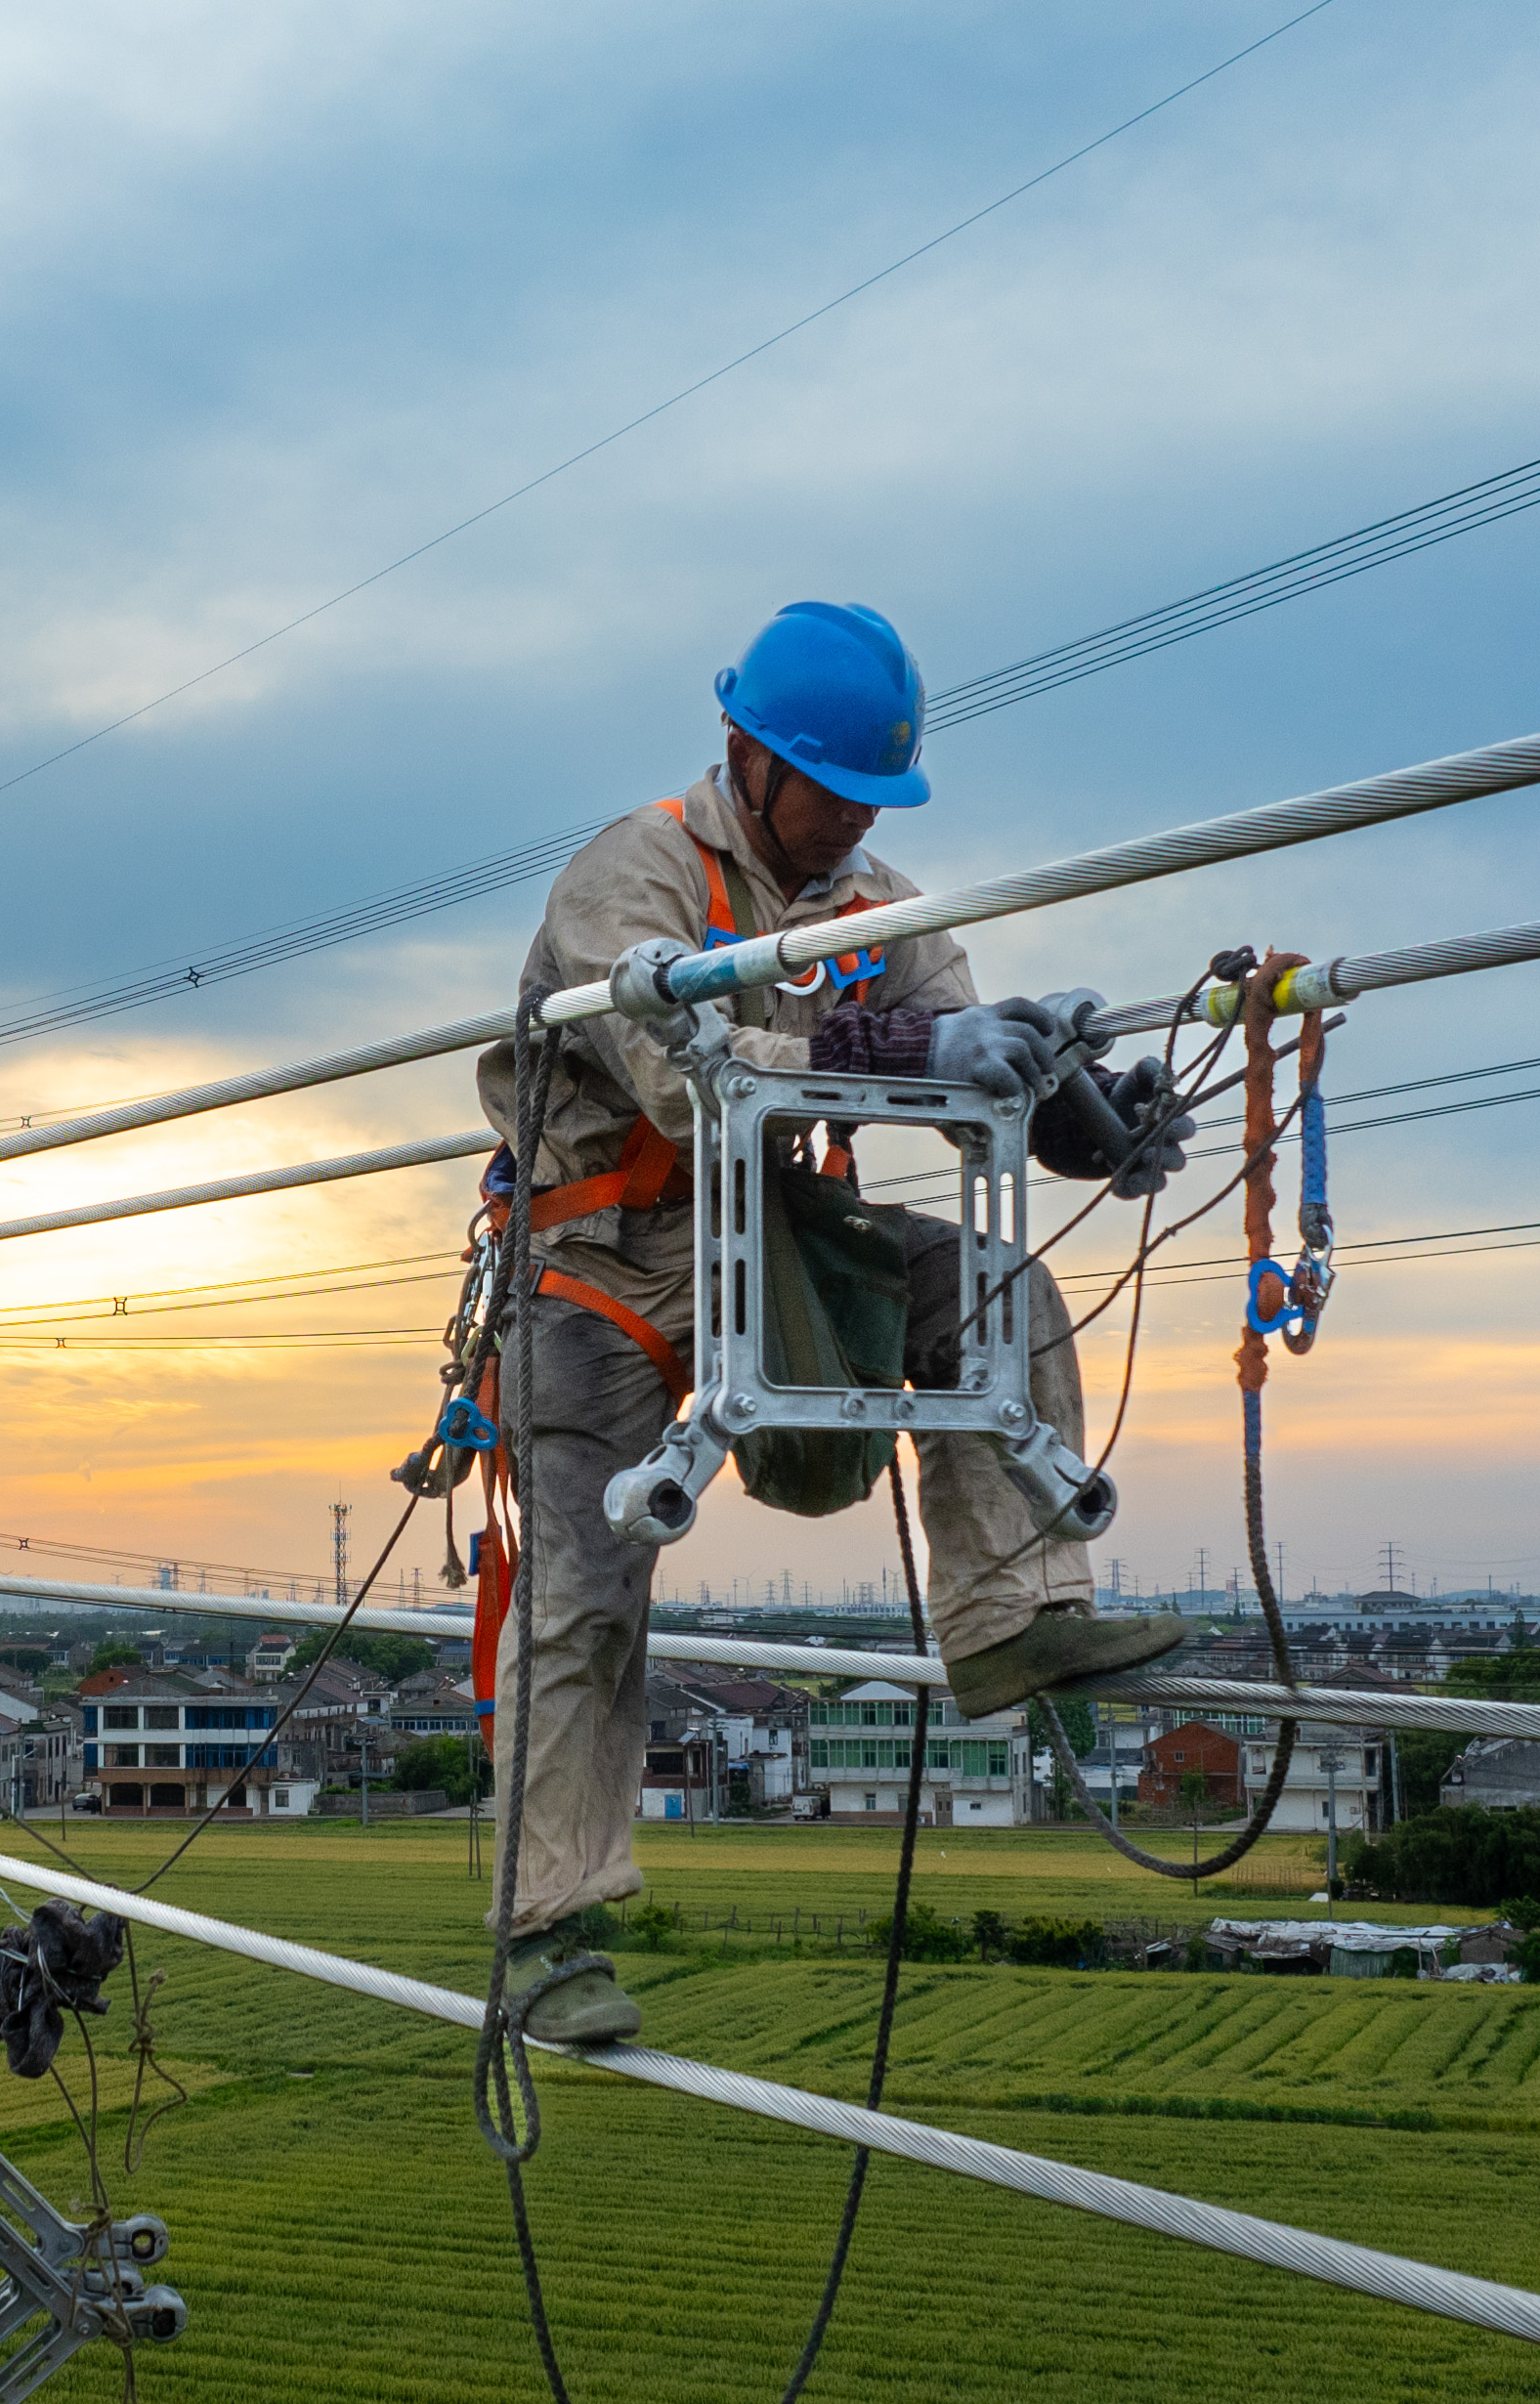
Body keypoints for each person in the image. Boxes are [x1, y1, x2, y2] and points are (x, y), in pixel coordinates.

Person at [476, 600, 1195, 2048]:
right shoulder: (632, 880)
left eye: (876, 799)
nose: (853, 825)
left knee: (1007, 1289)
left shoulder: (882, 904)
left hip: (774, 1238)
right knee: (586, 1596)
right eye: (834, 794)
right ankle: (546, 1934)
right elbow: (690, 1071)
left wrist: (1087, 1113)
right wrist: (917, 1045)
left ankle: (1013, 1615)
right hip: (601, 1254)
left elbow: (966, 1061)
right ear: (749, 756)